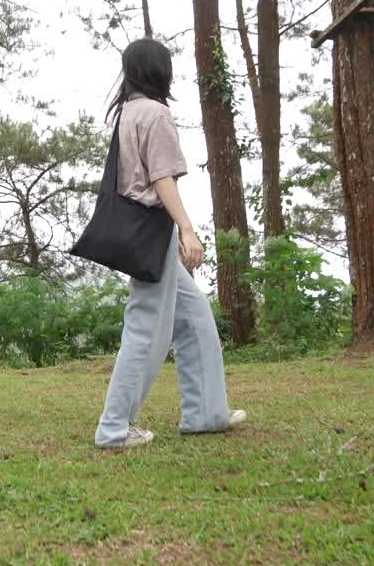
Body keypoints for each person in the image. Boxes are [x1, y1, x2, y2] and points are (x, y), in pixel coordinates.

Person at [94, 38, 247, 449]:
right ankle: (114, 428)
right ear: (159, 71)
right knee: (146, 330)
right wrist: (187, 229)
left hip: (145, 232)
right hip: (152, 230)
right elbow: (161, 179)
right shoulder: (155, 113)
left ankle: (207, 414)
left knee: (195, 317)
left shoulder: (128, 111)